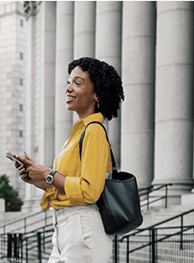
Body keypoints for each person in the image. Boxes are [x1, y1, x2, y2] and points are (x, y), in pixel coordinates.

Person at [15, 57, 124, 263]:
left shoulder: (94, 132)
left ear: (96, 93)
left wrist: (48, 174)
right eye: (68, 82)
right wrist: (36, 178)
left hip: (83, 230)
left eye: (78, 83)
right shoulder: (77, 135)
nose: (68, 88)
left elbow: (89, 191)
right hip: (65, 230)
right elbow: (65, 186)